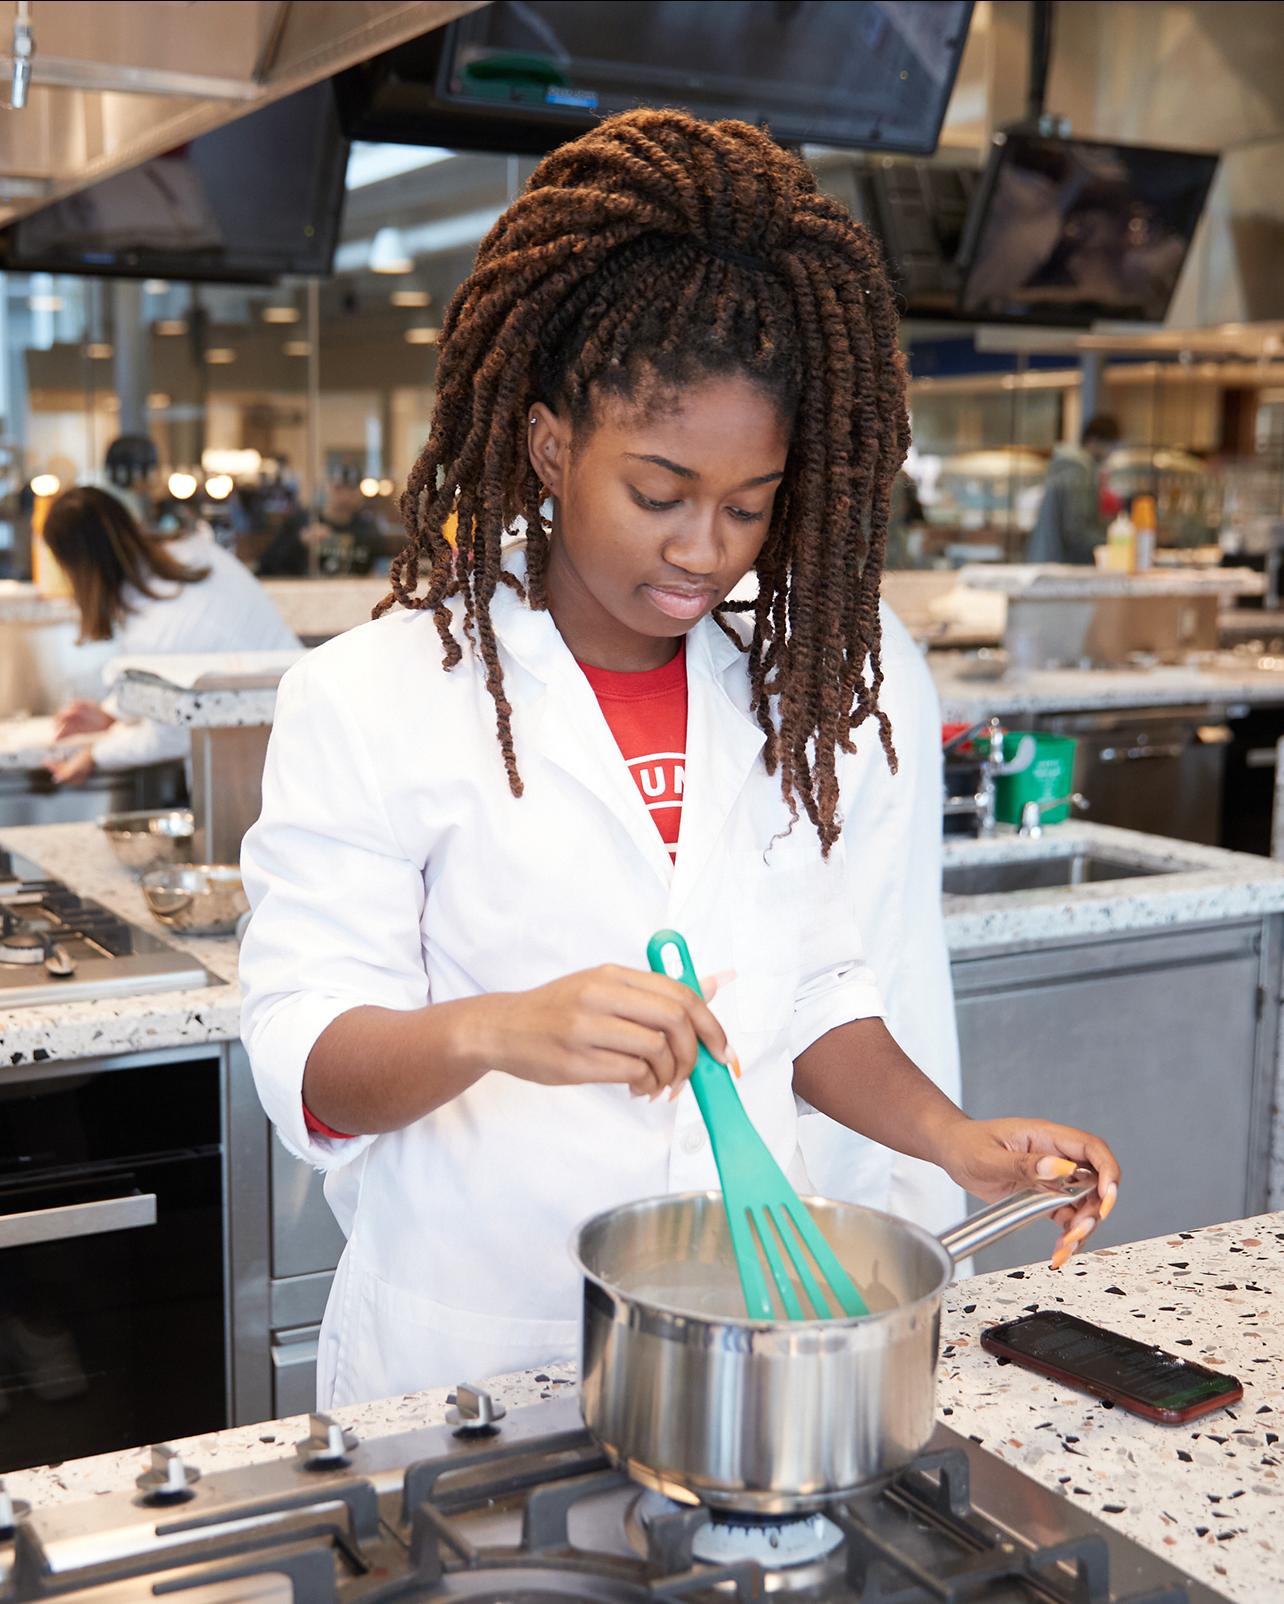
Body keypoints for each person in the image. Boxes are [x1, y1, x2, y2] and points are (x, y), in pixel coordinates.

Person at [239, 109, 1120, 1409]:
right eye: (659, 494)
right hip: (477, 1355)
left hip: (731, 1339)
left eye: (748, 507)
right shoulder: (374, 696)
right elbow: (308, 1059)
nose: (705, 549)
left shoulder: (766, 696)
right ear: (551, 445)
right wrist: (498, 1028)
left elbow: (811, 994)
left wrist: (954, 1140)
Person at [44, 486, 299, 786]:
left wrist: (95, 755)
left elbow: (173, 734)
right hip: (287, 729)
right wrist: (112, 713)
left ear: (78, 569)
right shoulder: (194, 550)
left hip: (263, 760)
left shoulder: (155, 629)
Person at [1025, 414, 1121, 565]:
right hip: (1058, 563)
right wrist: (1115, 539)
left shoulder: (1071, 466)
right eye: (1111, 446)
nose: (1111, 453)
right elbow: (1076, 529)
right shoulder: (1078, 472)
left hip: (1049, 559)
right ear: (1094, 440)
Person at [256, 473, 394, 577]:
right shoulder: (301, 521)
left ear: (360, 493)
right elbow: (266, 565)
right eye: (339, 488)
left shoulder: (367, 527)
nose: (345, 495)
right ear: (327, 488)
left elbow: (385, 561)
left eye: (351, 489)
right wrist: (300, 541)